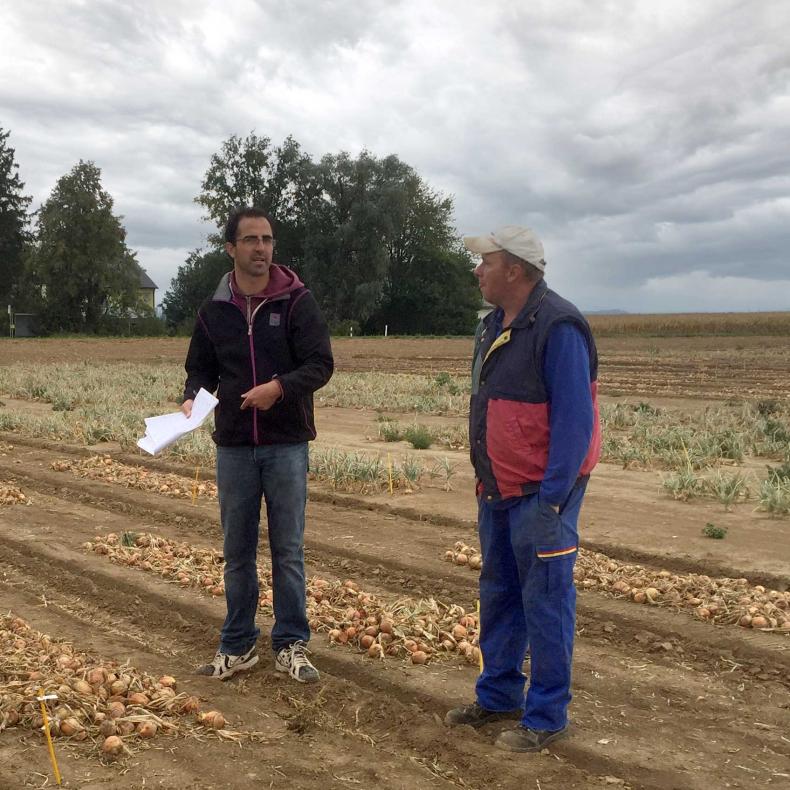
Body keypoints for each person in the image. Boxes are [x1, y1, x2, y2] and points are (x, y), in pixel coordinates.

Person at [445, 225, 601, 752]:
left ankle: (547, 715)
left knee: (547, 601)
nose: (476, 271)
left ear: (514, 269)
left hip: (542, 496)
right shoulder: (492, 325)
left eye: (484, 263)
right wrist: (486, 474)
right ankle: (498, 696)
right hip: (498, 490)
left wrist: (554, 499)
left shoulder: (558, 326)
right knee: (500, 596)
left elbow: (575, 424)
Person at [181, 206, 333, 682]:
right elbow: (200, 369)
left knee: (288, 550)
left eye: (267, 239)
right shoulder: (214, 310)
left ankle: (291, 644)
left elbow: (320, 365)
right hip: (232, 446)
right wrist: (191, 399)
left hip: (285, 443)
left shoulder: (296, 301)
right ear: (231, 248)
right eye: (251, 240)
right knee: (238, 552)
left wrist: (279, 389)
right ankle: (239, 644)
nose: (261, 248)